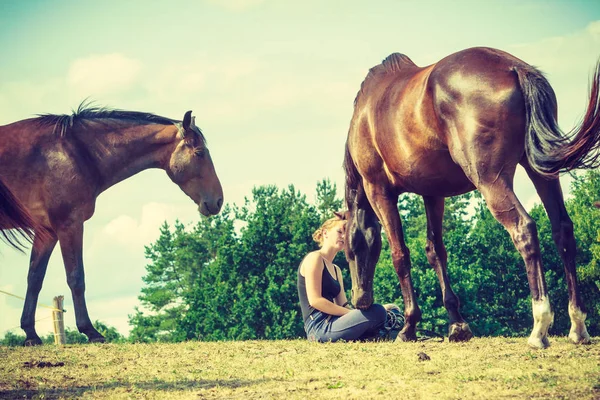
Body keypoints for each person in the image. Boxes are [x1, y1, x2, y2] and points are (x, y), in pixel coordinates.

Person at [297, 212, 401, 342]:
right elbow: (315, 301)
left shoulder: (336, 269)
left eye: (346, 234)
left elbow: (343, 304)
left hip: (335, 323)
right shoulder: (315, 258)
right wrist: (355, 315)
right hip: (319, 328)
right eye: (339, 232)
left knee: (383, 309)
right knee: (378, 311)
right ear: (325, 233)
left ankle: (377, 334)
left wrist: (359, 315)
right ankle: (379, 332)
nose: (343, 237)